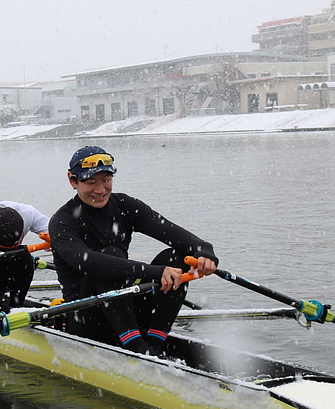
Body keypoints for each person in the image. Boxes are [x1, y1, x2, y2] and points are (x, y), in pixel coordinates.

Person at [49, 146, 218, 356]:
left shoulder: (125, 205)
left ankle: (155, 343)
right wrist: (154, 272)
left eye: (106, 180)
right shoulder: (61, 221)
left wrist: (206, 254)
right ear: (73, 181)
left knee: (177, 258)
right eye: (91, 182)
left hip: (122, 309)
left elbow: (182, 238)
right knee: (111, 256)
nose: (100, 189)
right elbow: (90, 262)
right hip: (86, 318)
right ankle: (137, 347)